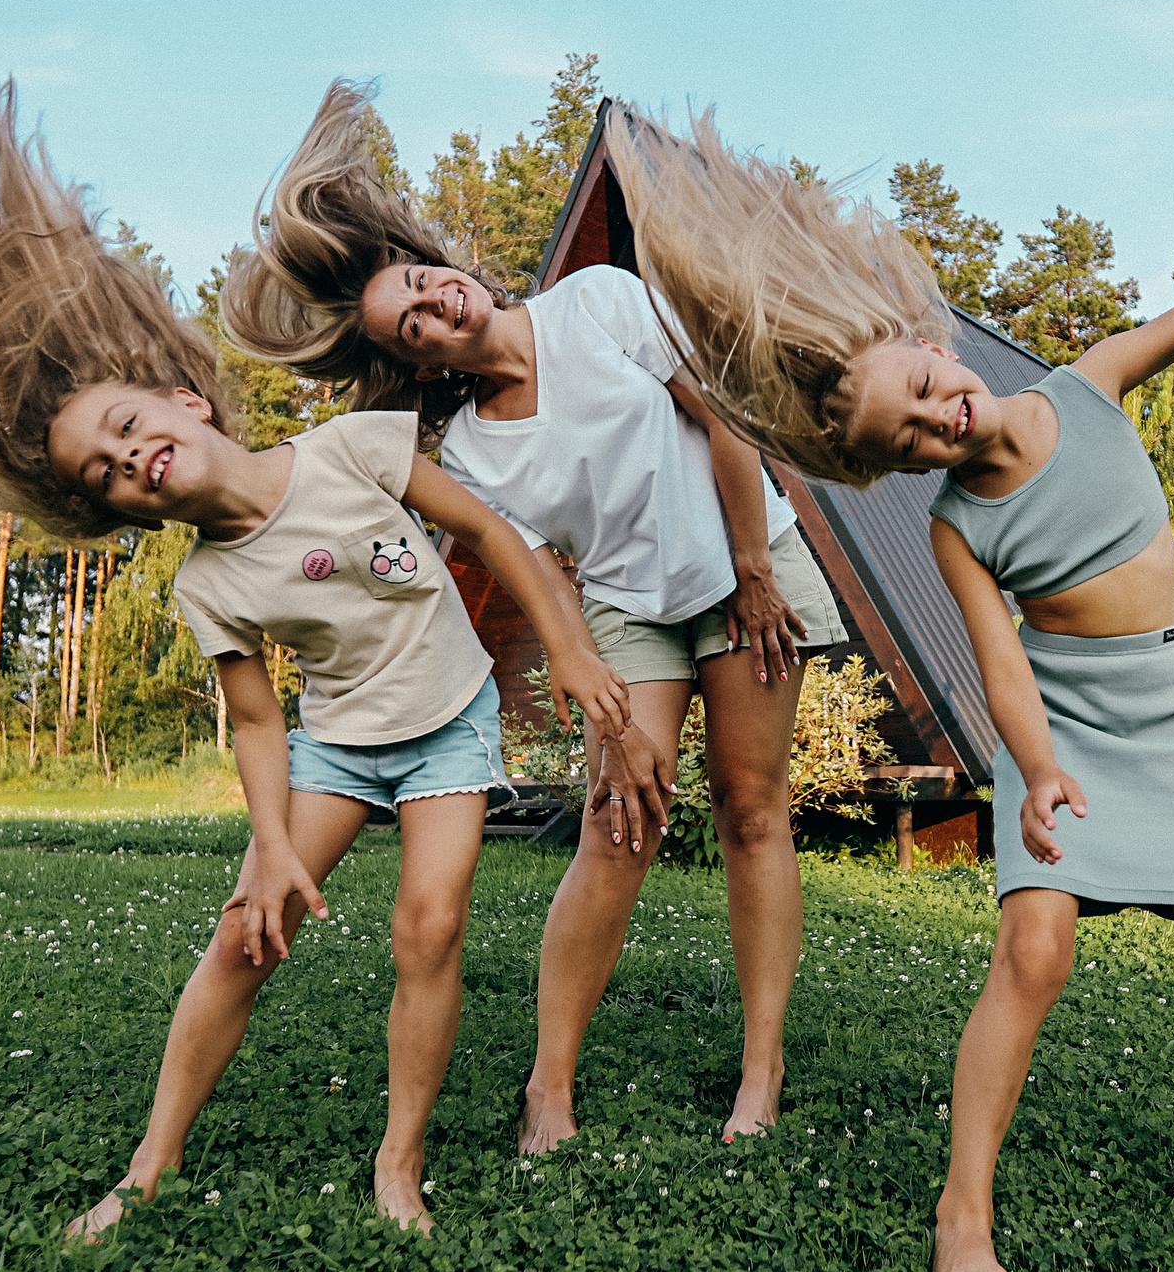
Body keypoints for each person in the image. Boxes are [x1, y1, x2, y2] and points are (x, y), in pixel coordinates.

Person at [600, 109, 1174, 1272]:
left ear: (930, 343)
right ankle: (960, 1219)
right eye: (907, 441)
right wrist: (1035, 770)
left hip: (1170, 714)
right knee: (1034, 950)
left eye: (923, 391)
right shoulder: (956, 526)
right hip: (1060, 730)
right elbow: (1003, 668)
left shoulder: (1092, 385)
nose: (934, 426)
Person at [0, 79, 651, 1233]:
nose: (130, 461)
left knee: (429, 927)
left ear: (184, 402)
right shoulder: (208, 583)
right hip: (337, 746)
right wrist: (272, 848)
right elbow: (260, 722)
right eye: (104, 475)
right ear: (118, 509)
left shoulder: (350, 450)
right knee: (243, 934)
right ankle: (147, 1167)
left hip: (448, 725)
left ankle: (397, 1162)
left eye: (128, 429)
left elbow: (488, 530)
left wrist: (569, 652)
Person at [220, 83, 849, 1149]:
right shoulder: (465, 451)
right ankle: (548, 1085)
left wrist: (752, 567)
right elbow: (538, 563)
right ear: (416, 360)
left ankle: (761, 1067)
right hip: (629, 606)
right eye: (413, 322)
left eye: (426, 284)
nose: (435, 306)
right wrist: (575, 663)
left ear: (451, 268)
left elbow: (725, 421)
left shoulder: (595, 302)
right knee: (619, 828)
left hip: (749, 560)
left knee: (752, 807)